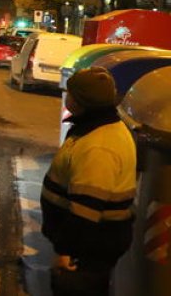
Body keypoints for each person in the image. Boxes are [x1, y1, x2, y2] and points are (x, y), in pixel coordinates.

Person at [41, 66, 137, 295]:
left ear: (81, 100)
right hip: (91, 245)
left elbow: (85, 211)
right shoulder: (96, 128)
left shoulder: (98, 146)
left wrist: (65, 252)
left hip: (87, 251)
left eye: (70, 92)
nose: (67, 96)